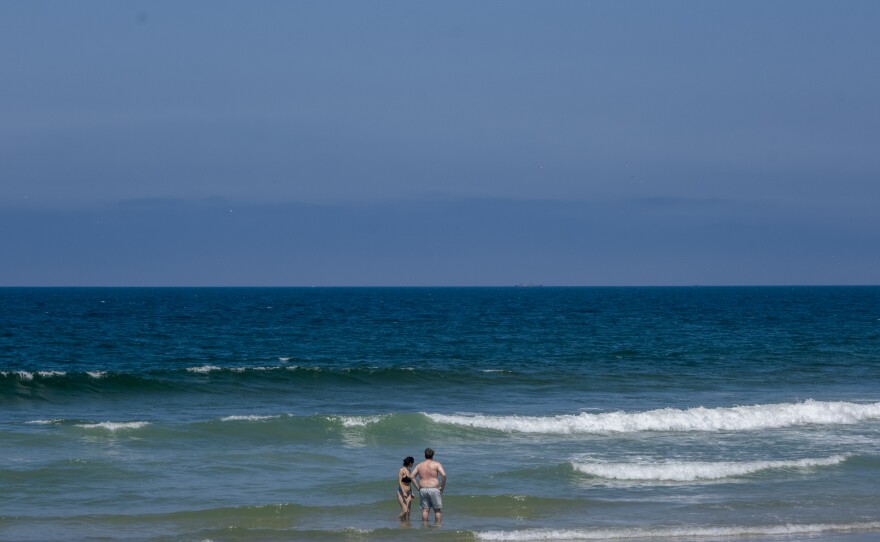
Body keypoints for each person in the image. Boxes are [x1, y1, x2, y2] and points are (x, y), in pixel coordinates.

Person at [412, 448, 446, 524]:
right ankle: (438, 526)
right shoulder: (436, 464)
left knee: (425, 509)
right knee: (437, 510)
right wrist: (442, 488)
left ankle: (425, 527)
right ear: (432, 455)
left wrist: (418, 488)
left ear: (425, 455)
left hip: (423, 489)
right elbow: (443, 475)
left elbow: (412, 476)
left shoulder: (419, 465)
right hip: (434, 489)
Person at [396, 456, 416, 520]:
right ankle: (396, 520)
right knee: (404, 511)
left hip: (409, 493)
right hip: (401, 493)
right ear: (410, 463)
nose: (413, 464)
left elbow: (409, 484)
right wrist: (403, 492)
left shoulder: (409, 470)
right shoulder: (402, 470)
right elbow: (399, 482)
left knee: (408, 513)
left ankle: (405, 525)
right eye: (412, 463)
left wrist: (412, 492)